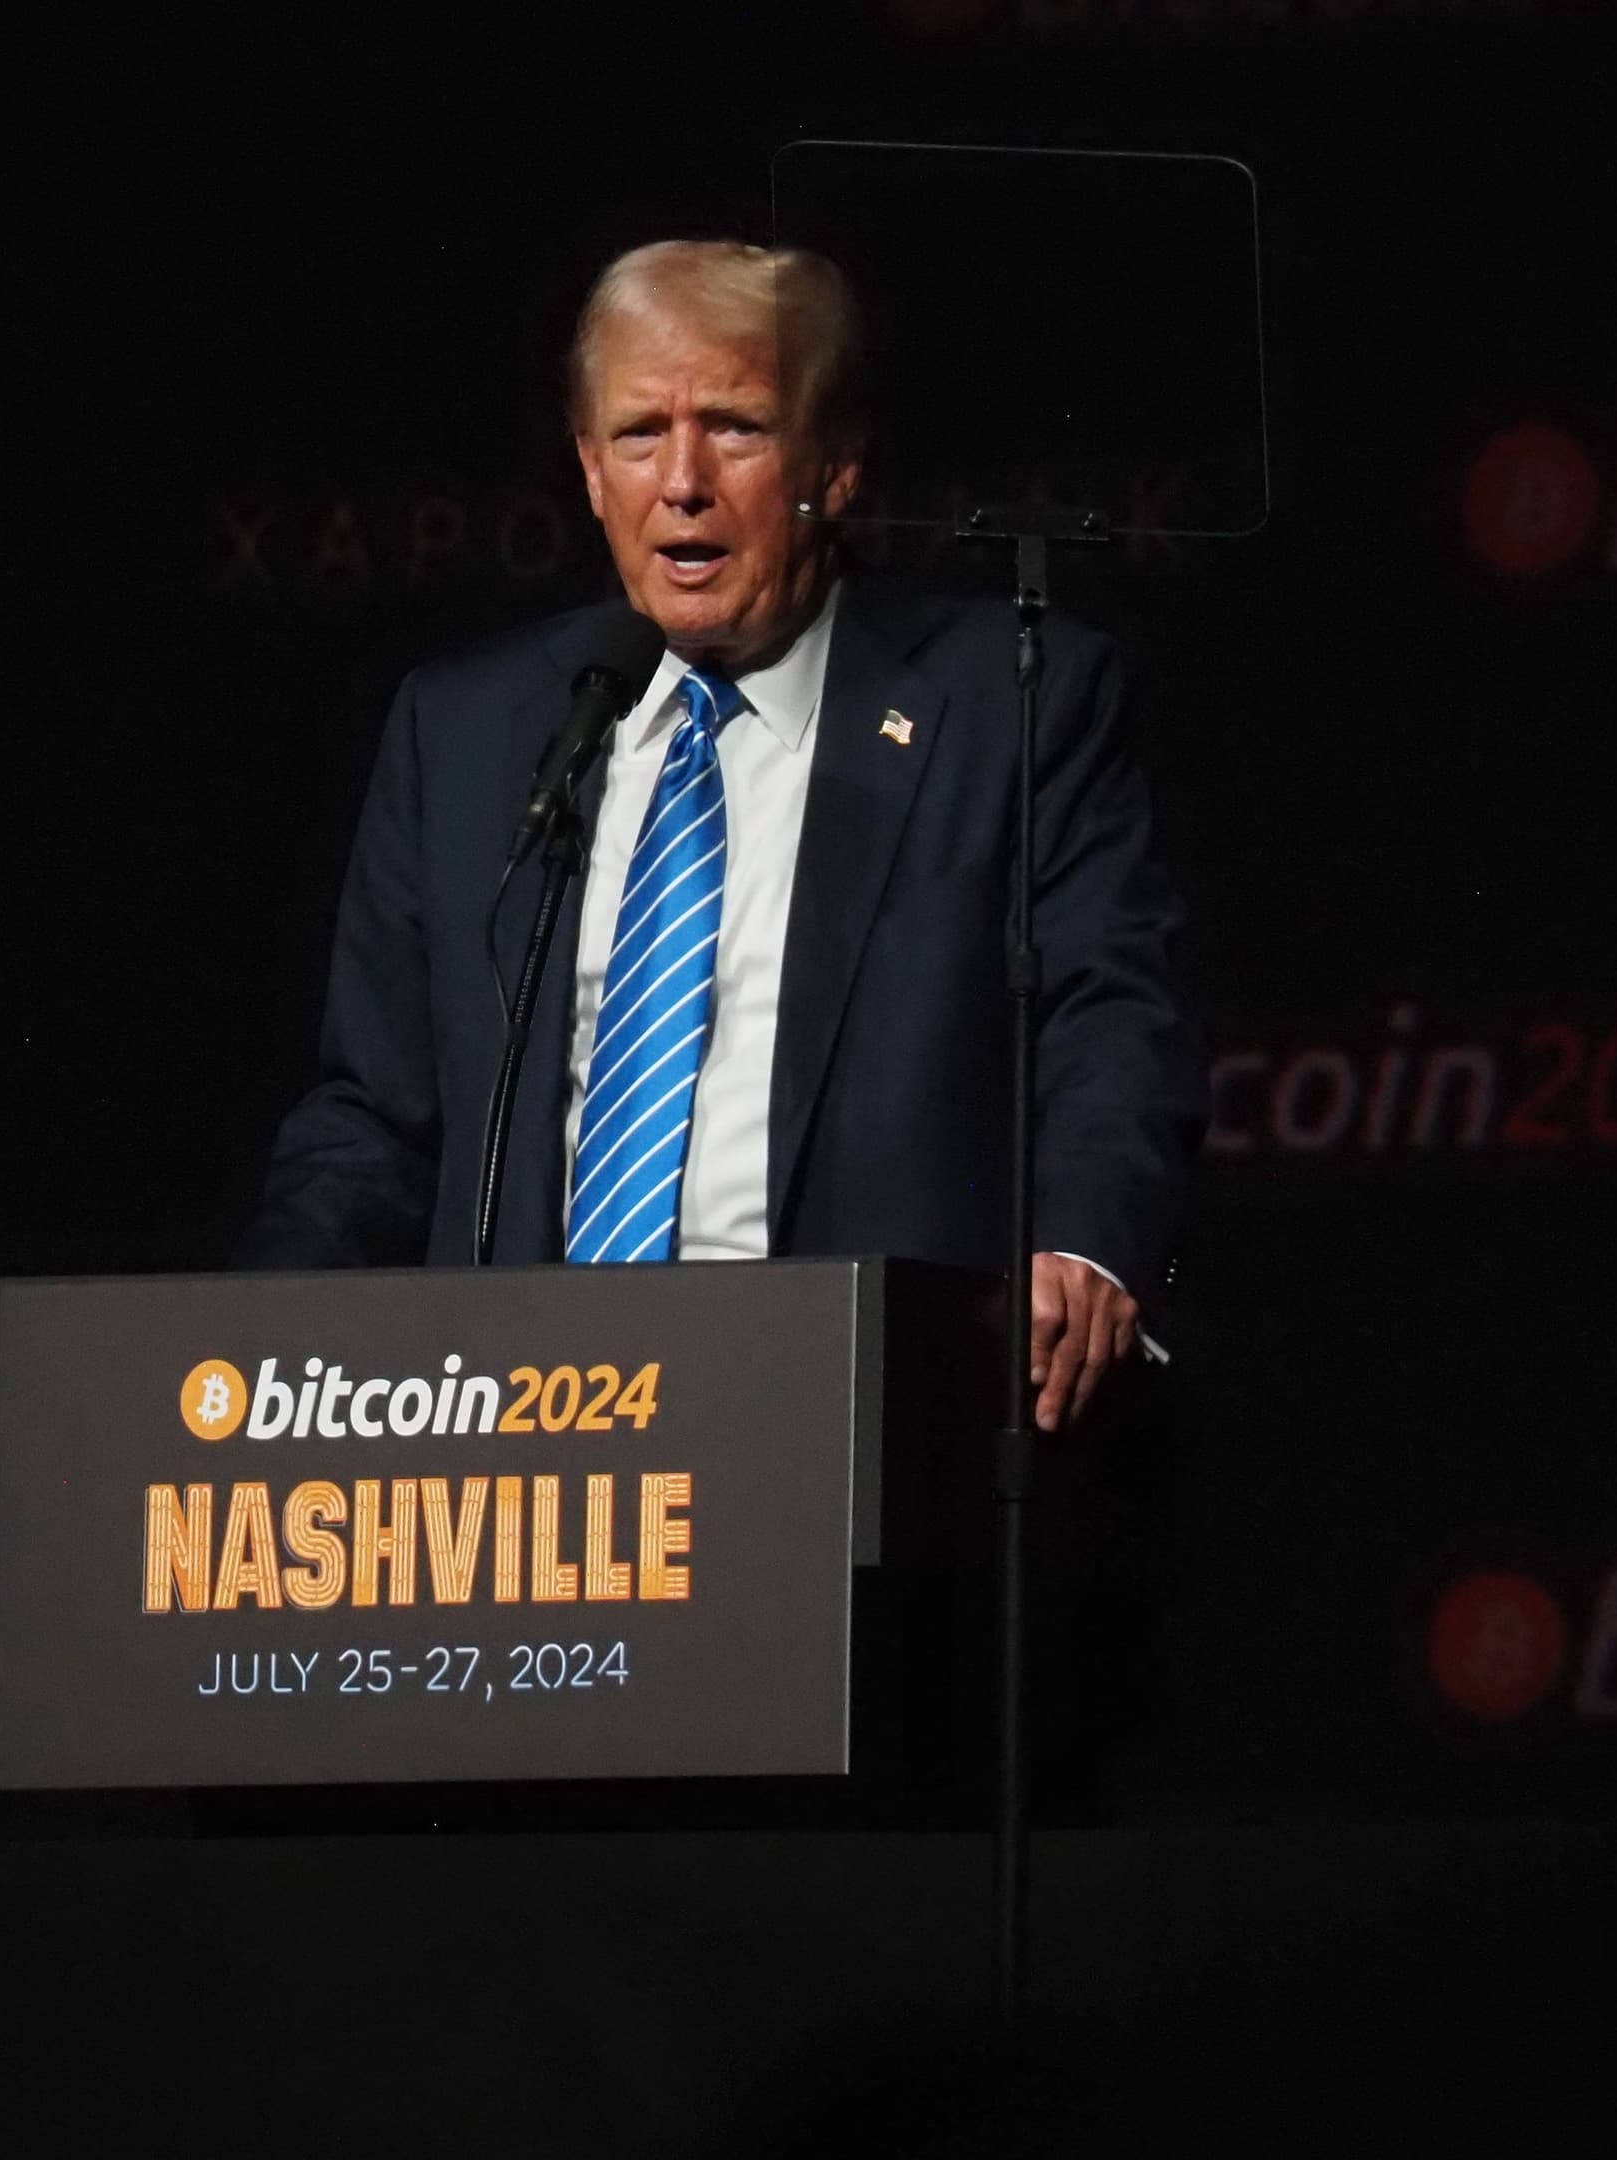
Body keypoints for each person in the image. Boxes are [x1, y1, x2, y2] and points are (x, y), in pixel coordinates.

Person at [238, 239, 1195, 1433]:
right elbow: (378, 1115)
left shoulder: (1006, 702)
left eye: (735, 429)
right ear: (591, 470)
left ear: (836, 462)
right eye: (640, 434)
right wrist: (254, 1335)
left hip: (857, 1413)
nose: (682, 482)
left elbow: (1111, 1020)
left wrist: (1084, 1246)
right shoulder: (471, 731)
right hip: (523, 1431)